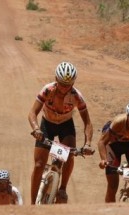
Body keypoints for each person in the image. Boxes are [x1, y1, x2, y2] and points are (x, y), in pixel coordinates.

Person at [28, 61, 94, 204]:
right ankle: (32, 204)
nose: (65, 88)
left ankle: (62, 188)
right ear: (56, 79)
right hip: (47, 124)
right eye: (62, 83)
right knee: (39, 164)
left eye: (68, 85)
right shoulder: (47, 90)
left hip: (65, 125)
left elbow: (87, 122)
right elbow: (32, 113)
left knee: (70, 154)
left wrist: (88, 143)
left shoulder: (76, 96)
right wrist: (36, 129)